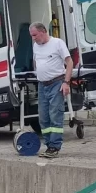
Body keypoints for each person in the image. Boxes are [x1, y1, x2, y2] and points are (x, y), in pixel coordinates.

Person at [30, 21, 72, 161]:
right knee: (43, 117)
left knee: (55, 114)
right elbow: (36, 62)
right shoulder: (36, 46)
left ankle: (55, 146)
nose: (33, 38)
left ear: (43, 31)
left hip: (56, 83)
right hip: (42, 85)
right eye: (32, 36)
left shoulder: (58, 43)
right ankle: (48, 144)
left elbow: (69, 62)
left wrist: (66, 82)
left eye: (35, 35)